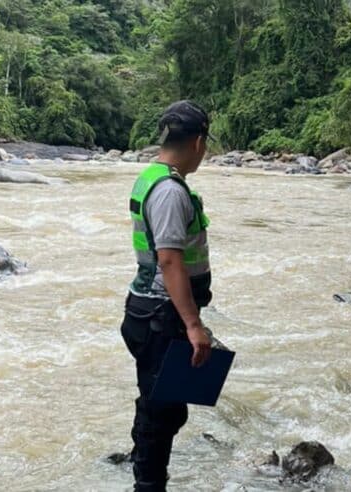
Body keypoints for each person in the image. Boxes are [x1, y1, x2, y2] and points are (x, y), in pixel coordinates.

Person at [120, 100, 215, 491]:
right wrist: (193, 324)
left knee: (160, 406)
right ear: (198, 143)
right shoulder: (171, 191)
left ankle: (141, 467)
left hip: (150, 311)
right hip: (162, 316)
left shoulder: (151, 177)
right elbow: (170, 260)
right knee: (161, 413)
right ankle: (147, 482)